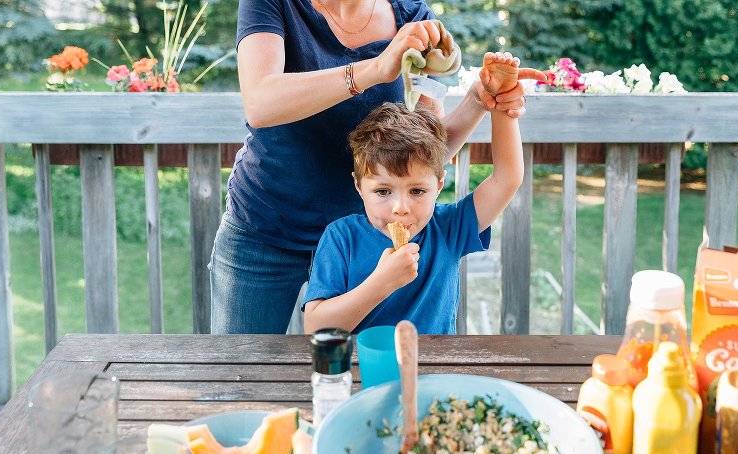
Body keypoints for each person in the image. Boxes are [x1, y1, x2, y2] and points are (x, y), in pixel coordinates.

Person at [210, 0, 541, 334]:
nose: (403, 203)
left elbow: (424, 150)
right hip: (267, 227)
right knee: (239, 368)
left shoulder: (413, 19)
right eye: (390, 191)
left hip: (372, 232)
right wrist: (377, 68)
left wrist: (481, 101)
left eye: (415, 192)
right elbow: (260, 103)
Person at [302, 53, 532, 334]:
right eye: (383, 190)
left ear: (438, 185)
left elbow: (507, 178)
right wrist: (381, 283)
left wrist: (501, 104)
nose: (401, 207)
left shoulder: (448, 229)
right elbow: (315, 327)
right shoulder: (341, 238)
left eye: (417, 190)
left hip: (433, 374)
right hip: (363, 372)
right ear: (359, 186)